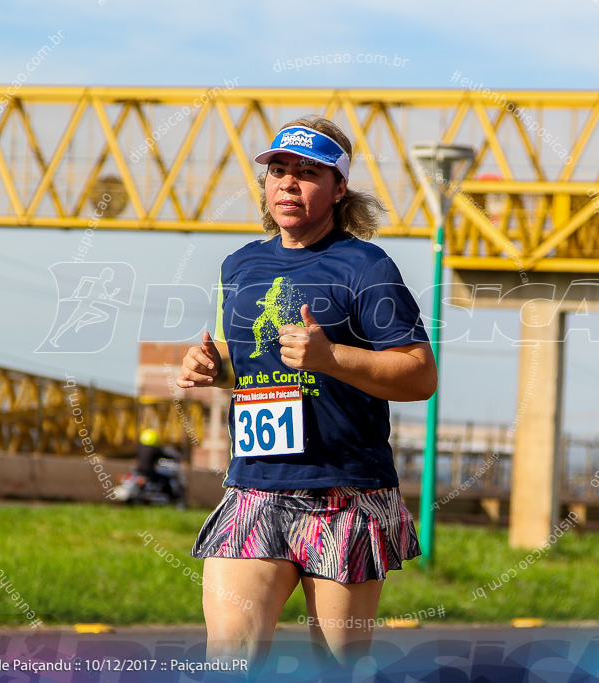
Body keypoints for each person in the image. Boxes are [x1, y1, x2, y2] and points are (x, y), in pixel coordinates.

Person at [177, 115, 437, 669]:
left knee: (335, 666)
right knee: (230, 657)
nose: (288, 183)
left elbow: (419, 375)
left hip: (344, 493)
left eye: (308, 173)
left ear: (339, 188)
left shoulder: (366, 267)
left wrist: (332, 358)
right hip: (257, 485)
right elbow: (253, 361)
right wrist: (211, 365)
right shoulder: (240, 265)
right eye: (278, 170)